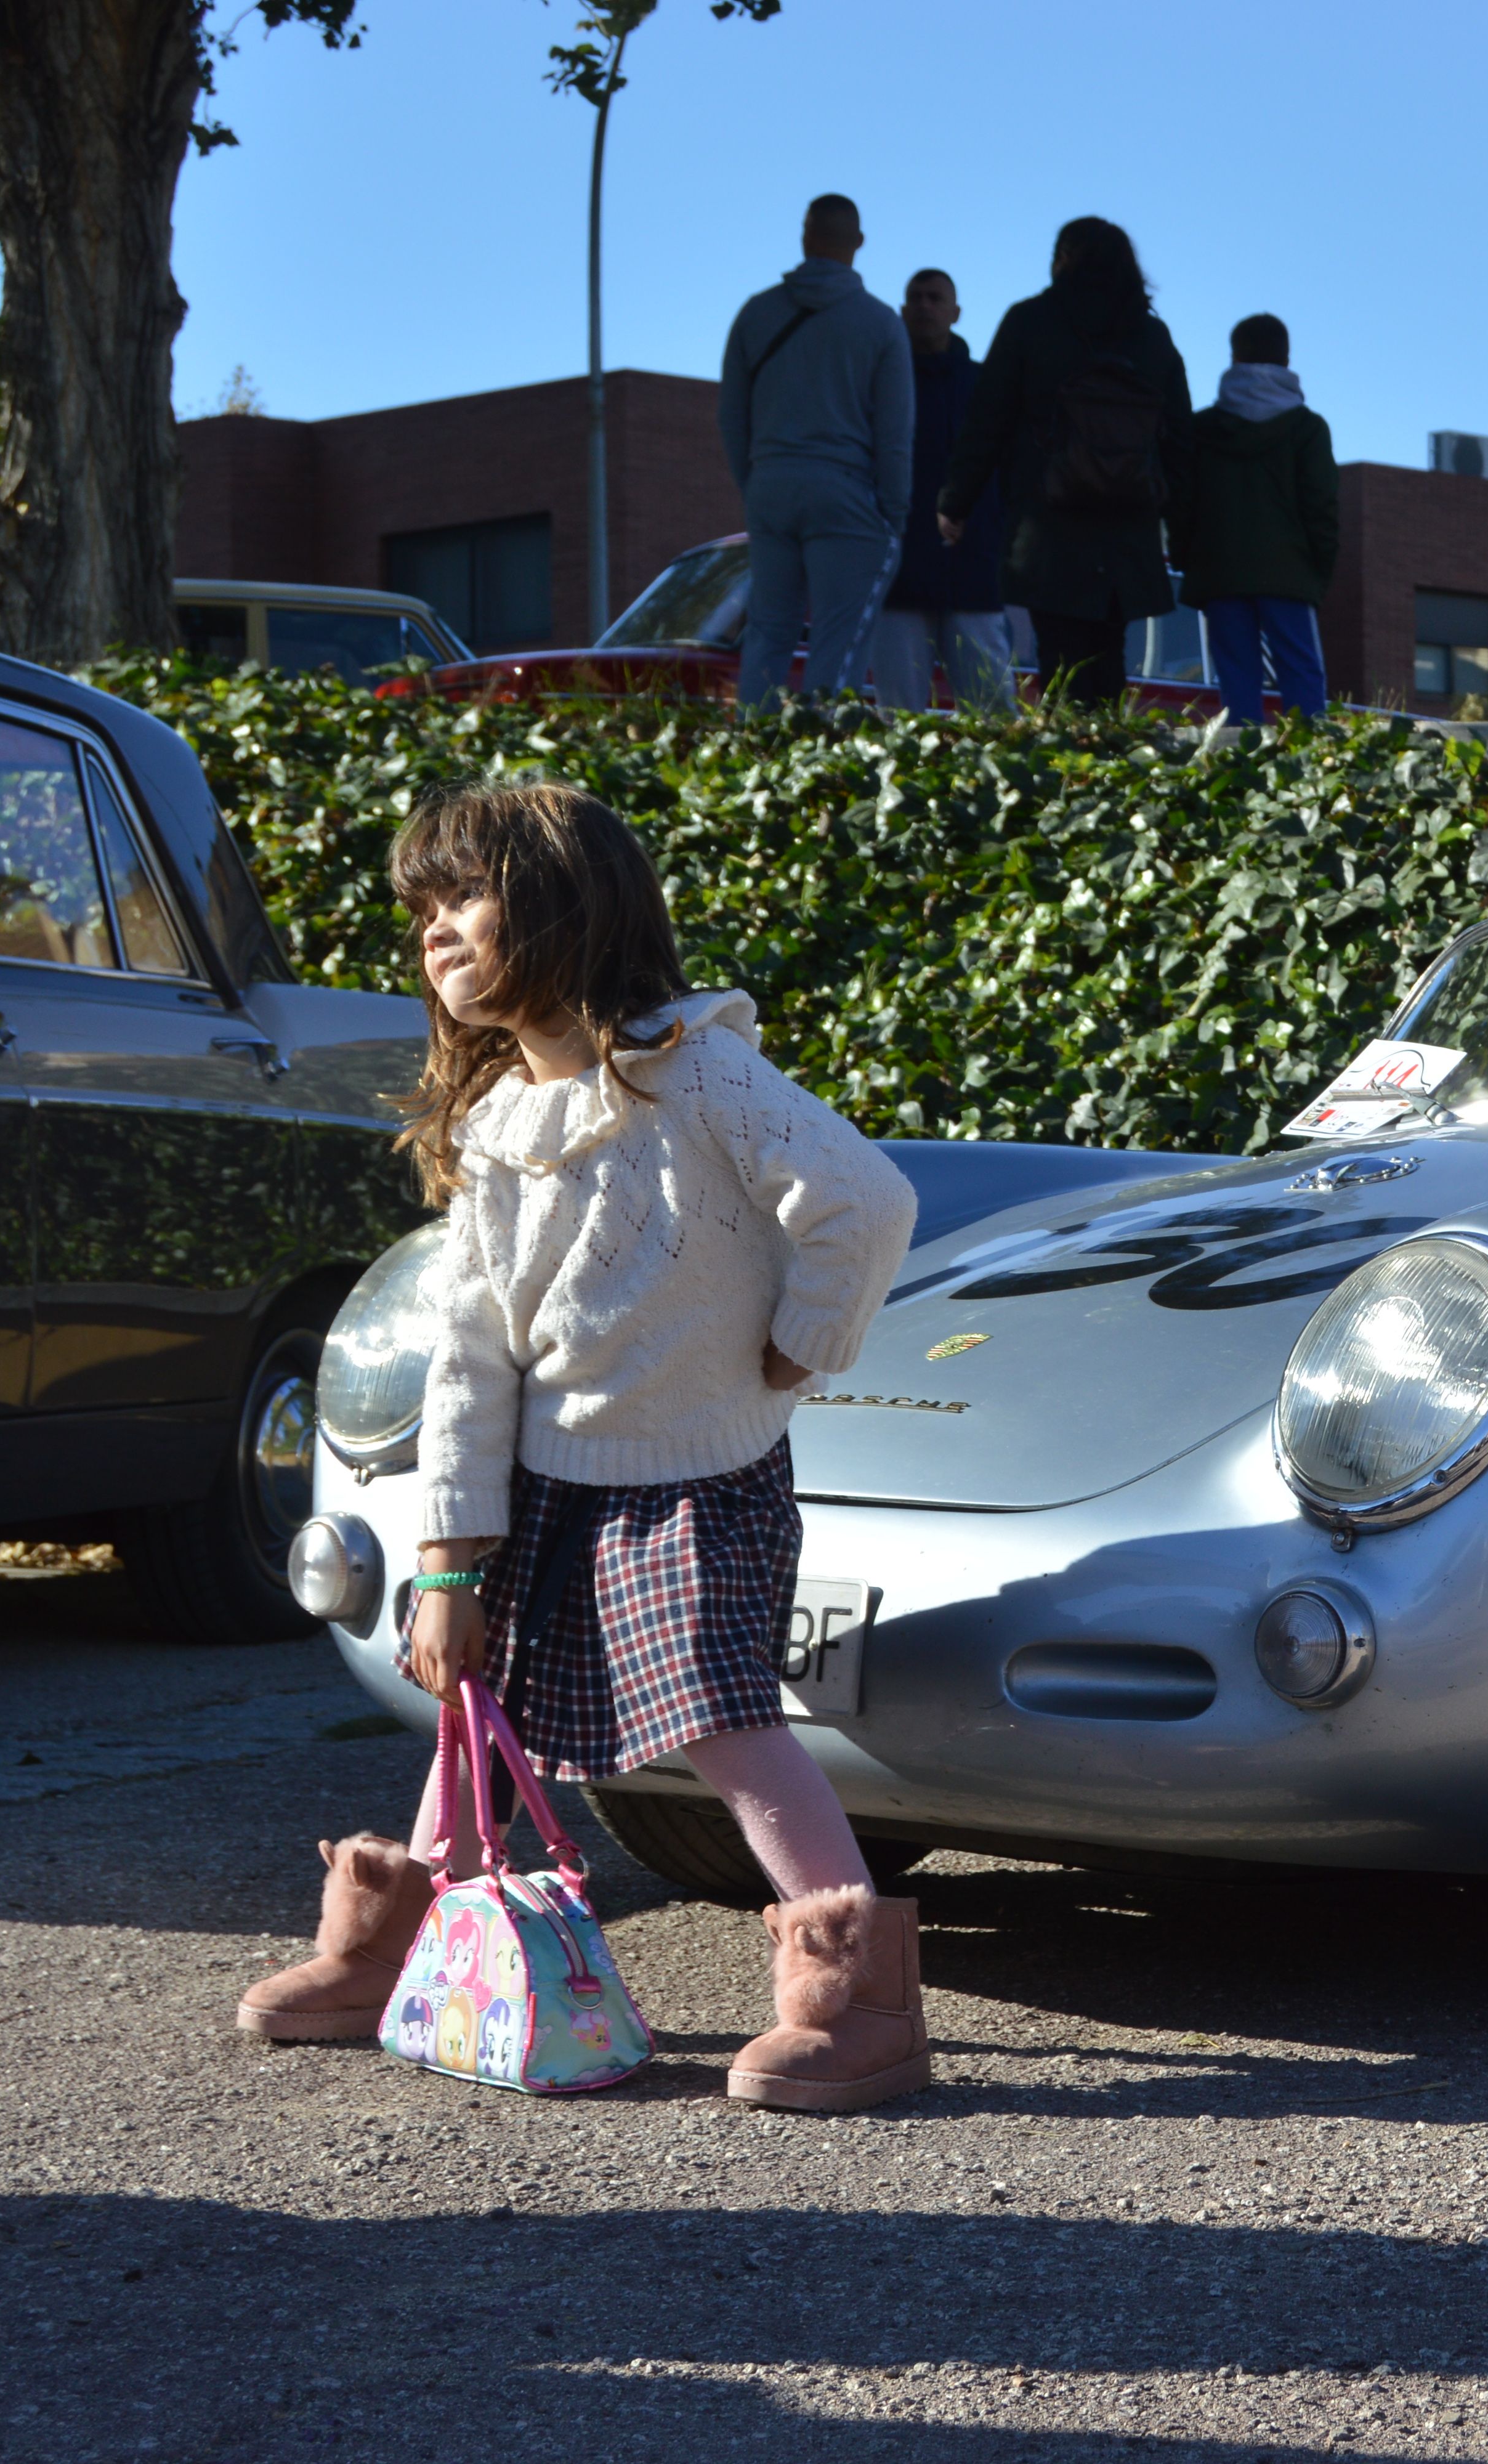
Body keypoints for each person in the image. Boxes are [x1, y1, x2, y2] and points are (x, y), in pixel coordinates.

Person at [232, 780, 927, 2112]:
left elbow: (864, 1198)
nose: (434, 934)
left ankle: (862, 1995)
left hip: (696, 1484)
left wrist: (802, 1340)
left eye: (462, 900)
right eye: (420, 911)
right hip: (546, 1488)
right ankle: (403, 1942)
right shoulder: (498, 1126)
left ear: (563, 904)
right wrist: (443, 1563)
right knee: (481, 1720)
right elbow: (470, 1354)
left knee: (728, 1726)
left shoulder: (700, 1068)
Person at [939, 216, 1192, 708]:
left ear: (1062, 260)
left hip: (1048, 519)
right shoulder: (1151, 337)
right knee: (1109, 653)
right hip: (1128, 523)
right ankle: (1109, 759)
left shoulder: (1030, 322)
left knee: (1059, 654)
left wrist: (956, 500)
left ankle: (1066, 764)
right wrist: (1180, 525)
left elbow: (987, 419)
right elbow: (1180, 438)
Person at [719, 193, 914, 712]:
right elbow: (895, 434)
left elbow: (732, 418)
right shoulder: (879, 324)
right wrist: (894, 513)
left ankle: (753, 749)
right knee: (839, 638)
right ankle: (822, 755)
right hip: (846, 492)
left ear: (805, 237)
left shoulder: (756, 315)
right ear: (859, 242)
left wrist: (756, 483)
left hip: (771, 487)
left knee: (769, 629)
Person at [1176, 312, 1339, 729]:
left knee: (1236, 681)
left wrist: (1186, 554)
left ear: (1234, 357)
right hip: (1290, 570)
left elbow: (1182, 500)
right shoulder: (1307, 429)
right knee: (1303, 677)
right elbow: (1321, 506)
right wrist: (1319, 570)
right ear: (1287, 358)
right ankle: (1312, 769)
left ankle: (1240, 770)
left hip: (1219, 569)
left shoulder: (1202, 429)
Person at [871, 267, 1017, 712]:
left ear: (956, 312)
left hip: (973, 571)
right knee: (898, 717)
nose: (924, 306)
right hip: (898, 572)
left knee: (993, 713)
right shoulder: (880, 384)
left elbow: (1012, 469)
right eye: (915, 297)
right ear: (901, 310)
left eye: (935, 298)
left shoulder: (986, 385)